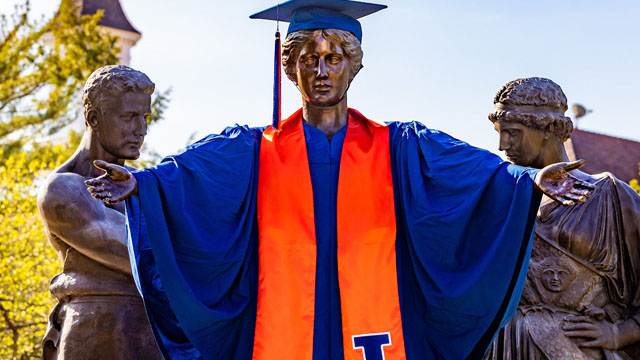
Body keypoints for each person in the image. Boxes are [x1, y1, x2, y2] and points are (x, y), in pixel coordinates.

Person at [86, 3, 594, 360]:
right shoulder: (253, 150)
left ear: (353, 65)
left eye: (334, 58)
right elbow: (185, 179)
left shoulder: (400, 147)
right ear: (291, 67)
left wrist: (526, 181)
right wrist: (141, 189)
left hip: (374, 331)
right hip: (283, 327)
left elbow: (477, 176)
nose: (322, 70)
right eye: (309, 58)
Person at [484, 77, 640, 360]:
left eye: (512, 132)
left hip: (580, 351)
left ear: (548, 129)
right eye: (499, 132)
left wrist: (621, 333)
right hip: (505, 348)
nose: (501, 144)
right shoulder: (502, 199)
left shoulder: (610, 196)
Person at [37, 65, 163, 359]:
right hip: (95, 331)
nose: (141, 130)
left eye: (145, 118)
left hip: (153, 334)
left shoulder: (143, 185)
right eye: (129, 117)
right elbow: (138, 254)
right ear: (93, 118)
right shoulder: (62, 190)